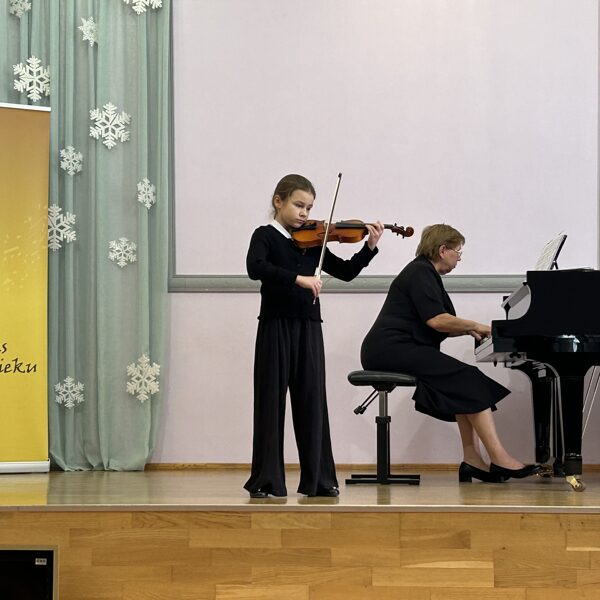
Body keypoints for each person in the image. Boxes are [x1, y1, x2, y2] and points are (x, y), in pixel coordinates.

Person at [360, 224, 540, 483]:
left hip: (397, 347)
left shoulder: (425, 273)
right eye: (458, 251)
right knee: (469, 379)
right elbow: (436, 320)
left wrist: (468, 330)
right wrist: (476, 325)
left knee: (462, 384)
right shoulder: (420, 272)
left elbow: (434, 322)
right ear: (443, 250)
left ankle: (473, 460)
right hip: (390, 349)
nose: (459, 258)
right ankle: (498, 457)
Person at [244, 174, 384, 498]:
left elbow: (346, 272)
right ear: (278, 201)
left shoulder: (312, 242)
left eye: (309, 207)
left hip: (308, 327)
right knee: (270, 402)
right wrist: (299, 279)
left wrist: (369, 247)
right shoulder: (265, 236)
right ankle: (266, 480)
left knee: (312, 402)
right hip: (275, 326)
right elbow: (255, 267)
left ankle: (319, 480)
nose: (305, 213)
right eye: (298, 205)